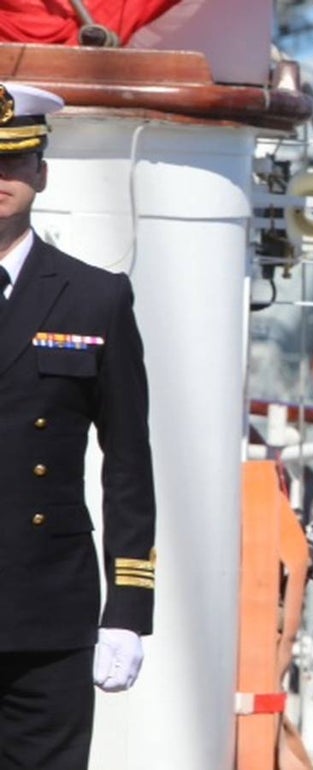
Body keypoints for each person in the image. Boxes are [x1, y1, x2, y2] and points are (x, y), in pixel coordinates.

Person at [0, 82, 156, 768]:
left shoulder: (95, 296)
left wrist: (127, 609)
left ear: (40, 170)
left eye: (11, 160)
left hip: (46, 616)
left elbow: (127, 460)